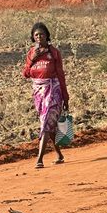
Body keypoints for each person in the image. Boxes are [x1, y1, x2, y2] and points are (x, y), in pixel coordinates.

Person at [22, 22, 69, 169]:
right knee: (49, 125)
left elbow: (60, 74)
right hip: (38, 92)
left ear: (47, 36)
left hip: (53, 90)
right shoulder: (31, 53)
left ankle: (39, 158)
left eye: (41, 34)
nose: (39, 37)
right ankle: (59, 155)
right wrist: (32, 59)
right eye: (36, 35)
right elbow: (25, 74)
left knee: (45, 122)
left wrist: (65, 96)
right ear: (33, 37)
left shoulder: (54, 52)